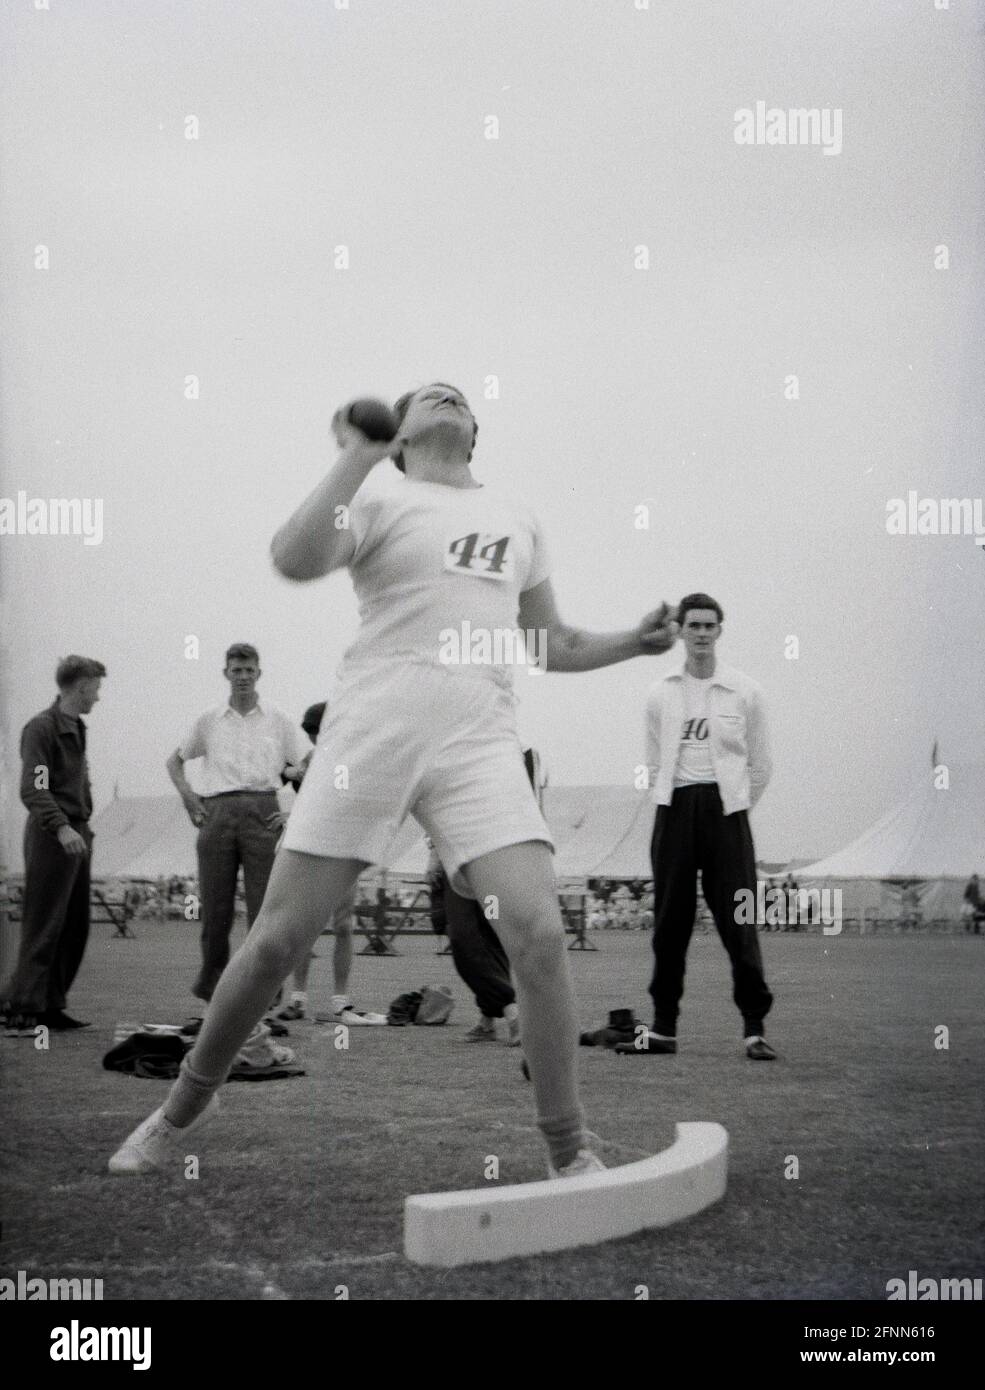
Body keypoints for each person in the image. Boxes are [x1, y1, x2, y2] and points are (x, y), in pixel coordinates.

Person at [108, 380, 677, 1179]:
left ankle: (567, 1153)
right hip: (370, 734)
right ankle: (177, 1113)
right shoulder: (380, 498)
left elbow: (547, 643)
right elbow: (293, 557)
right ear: (402, 434)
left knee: (540, 934)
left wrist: (633, 643)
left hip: (479, 740)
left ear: (474, 430)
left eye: (458, 397)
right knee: (275, 942)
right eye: (426, 396)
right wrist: (356, 457)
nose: (445, 396)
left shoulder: (517, 517)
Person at [622, 593, 777, 1061]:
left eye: (710, 626)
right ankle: (664, 1028)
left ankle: (754, 1029)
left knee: (739, 919)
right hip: (674, 810)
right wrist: (672, 801)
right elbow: (653, 760)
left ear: (720, 631)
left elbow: (761, 763)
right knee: (670, 921)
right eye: (694, 626)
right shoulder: (660, 692)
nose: (703, 634)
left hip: (726, 813)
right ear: (682, 632)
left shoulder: (745, 691)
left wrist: (736, 806)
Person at [165, 643, 309, 1003]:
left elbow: (314, 762)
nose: (243, 676)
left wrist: (297, 809)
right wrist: (188, 796)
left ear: (259, 673)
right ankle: (213, 990)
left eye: (249, 670)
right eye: (236, 670)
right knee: (215, 910)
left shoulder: (278, 719)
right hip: (217, 812)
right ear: (225, 673)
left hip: (263, 811)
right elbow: (174, 761)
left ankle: (262, 990)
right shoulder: (209, 720)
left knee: (265, 910)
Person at [3, 655, 106, 1036]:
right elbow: (35, 787)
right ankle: (22, 1008)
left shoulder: (75, 727)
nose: (98, 697)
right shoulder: (42, 729)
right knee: (44, 922)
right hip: (54, 835)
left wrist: (79, 828)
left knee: (74, 924)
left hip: (77, 833)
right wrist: (62, 827)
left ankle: (50, 1004)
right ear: (80, 688)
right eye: (96, 688)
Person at [274, 702, 384, 1025]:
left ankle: (339, 1000)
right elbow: (279, 773)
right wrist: (290, 772)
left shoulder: (351, 759)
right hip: (312, 844)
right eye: (310, 734)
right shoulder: (309, 760)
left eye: (317, 732)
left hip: (343, 843)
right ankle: (298, 997)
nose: (314, 739)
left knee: (343, 924)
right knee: (305, 925)